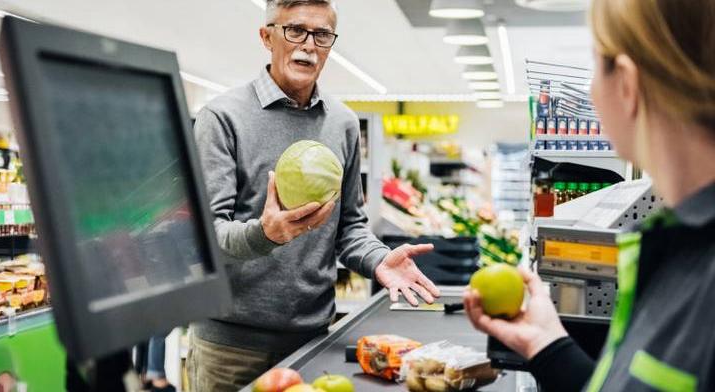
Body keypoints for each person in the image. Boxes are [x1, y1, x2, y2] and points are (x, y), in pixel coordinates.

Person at [188, 0, 440, 390]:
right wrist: (265, 234)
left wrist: (379, 260)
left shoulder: (342, 124)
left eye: (322, 35)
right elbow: (206, 239)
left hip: (312, 339)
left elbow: (350, 227)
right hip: (231, 349)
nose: (308, 45)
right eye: (295, 31)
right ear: (266, 36)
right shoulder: (222, 118)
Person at [464, 0, 715, 391]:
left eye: (595, 66)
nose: (591, 93)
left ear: (628, 86)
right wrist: (546, 344)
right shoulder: (677, 248)